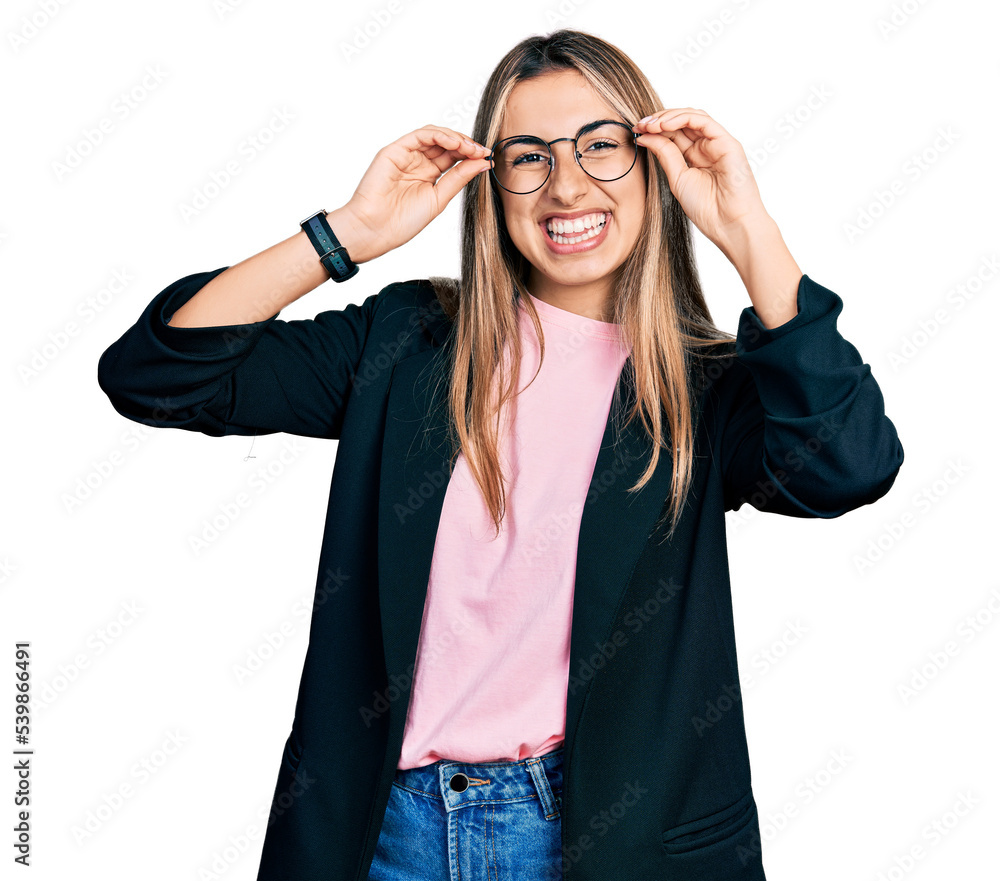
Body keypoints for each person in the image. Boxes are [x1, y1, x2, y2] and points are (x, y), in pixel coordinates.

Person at [97, 27, 903, 881]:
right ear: (493, 183)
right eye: (529, 156)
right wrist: (347, 233)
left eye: (603, 147)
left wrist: (747, 229)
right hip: (386, 836)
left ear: (655, 168)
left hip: (604, 841)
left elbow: (850, 463)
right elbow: (156, 376)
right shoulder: (407, 341)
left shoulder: (703, 390)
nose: (567, 185)